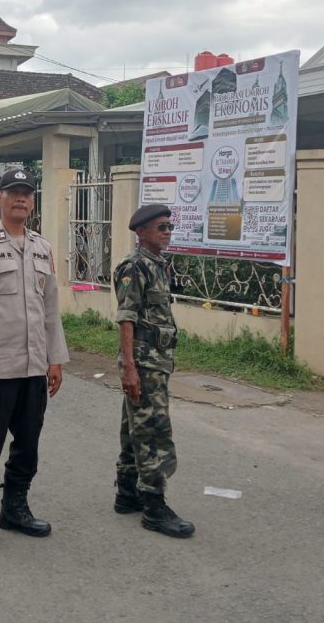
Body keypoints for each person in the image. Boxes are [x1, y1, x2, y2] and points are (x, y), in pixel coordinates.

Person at [0, 168, 68, 553]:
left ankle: (14, 508)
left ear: (32, 202)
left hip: (34, 368)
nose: (21, 198)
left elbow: (50, 309)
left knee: (28, 444)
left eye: (27, 193)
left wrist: (55, 360)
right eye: (13, 192)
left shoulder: (42, 248)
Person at [112, 204, 195, 538]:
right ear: (141, 232)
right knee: (154, 431)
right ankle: (154, 505)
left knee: (134, 425)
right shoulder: (134, 267)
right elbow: (126, 318)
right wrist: (130, 367)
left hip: (155, 361)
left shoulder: (156, 265)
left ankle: (127, 492)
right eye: (161, 227)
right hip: (144, 363)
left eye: (169, 227)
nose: (167, 232)